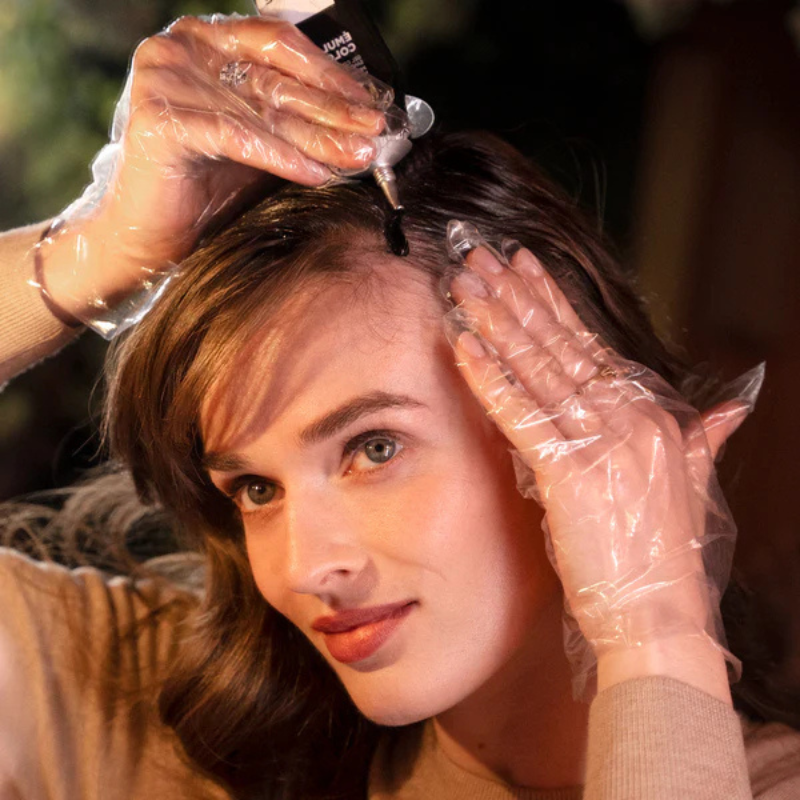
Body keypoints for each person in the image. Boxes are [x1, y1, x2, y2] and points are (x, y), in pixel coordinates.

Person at [1, 12, 799, 800]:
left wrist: (656, 630)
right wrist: (93, 253)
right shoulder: (154, 726)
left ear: (592, 431)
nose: (304, 568)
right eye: (257, 489)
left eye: (374, 447)